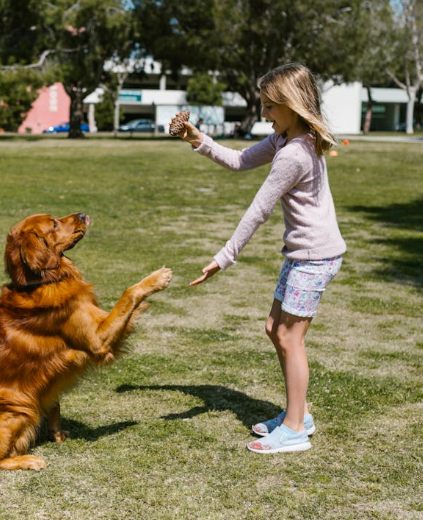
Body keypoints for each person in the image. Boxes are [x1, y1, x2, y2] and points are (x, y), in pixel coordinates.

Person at [172, 63, 346, 454]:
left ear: (292, 104)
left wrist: (224, 257)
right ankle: (299, 414)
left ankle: (295, 429)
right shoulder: (286, 138)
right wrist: (197, 138)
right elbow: (239, 160)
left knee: (289, 336)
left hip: (315, 257)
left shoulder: (294, 153)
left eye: (270, 106)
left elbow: (258, 210)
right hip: (303, 254)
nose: (264, 114)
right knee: (274, 328)